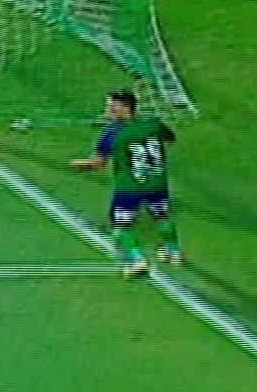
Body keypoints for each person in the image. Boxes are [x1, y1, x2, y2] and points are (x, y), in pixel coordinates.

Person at [71, 89, 183, 276]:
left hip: (130, 187)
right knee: (162, 217)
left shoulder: (112, 133)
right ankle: (174, 252)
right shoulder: (153, 124)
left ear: (125, 108)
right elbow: (169, 139)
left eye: (112, 107)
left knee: (121, 227)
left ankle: (138, 260)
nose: (107, 111)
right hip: (157, 182)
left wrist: (79, 165)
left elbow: (98, 164)